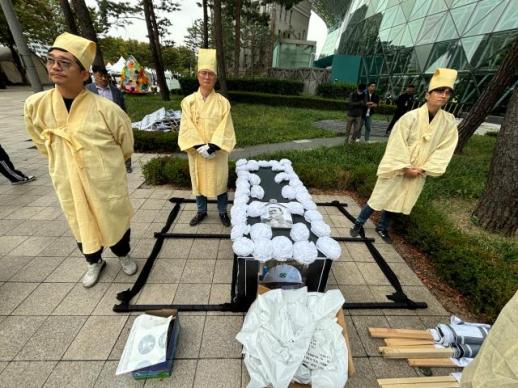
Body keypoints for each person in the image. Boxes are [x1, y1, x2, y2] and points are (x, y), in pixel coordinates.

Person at [24, 32, 137, 288]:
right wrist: (63, 162)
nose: (55, 66)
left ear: (84, 74)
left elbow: (125, 144)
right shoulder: (35, 105)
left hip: (104, 178)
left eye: (64, 62)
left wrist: (103, 165)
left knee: (114, 218)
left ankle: (123, 254)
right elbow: (40, 141)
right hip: (67, 177)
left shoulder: (107, 109)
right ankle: (93, 261)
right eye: (51, 60)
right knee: (79, 220)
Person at [350, 68, 458, 243]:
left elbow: (445, 148)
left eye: (448, 92)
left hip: (420, 169)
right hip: (399, 167)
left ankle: (382, 227)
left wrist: (424, 168)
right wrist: (405, 167)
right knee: (379, 196)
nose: (443, 95)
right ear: (427, 94)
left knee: (400, 200)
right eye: (439, 90)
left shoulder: (448, 121)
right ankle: (358, 223)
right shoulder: (410, 117)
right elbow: (396, 143)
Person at [178, 48, 236, 227]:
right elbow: (186, 127)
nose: (207, 77)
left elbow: (226, 127)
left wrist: (213, 146)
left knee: (219, 181)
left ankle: (222, 212)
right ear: (198, 76)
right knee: (198, 181)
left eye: (211, 74)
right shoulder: (188, 101)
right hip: (197, 153)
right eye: (204, 73)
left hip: (216, 152)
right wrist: (198, 147)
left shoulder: (222, 102)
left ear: (215, 78)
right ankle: (201, 211)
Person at [86, 65, 132, 173]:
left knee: (122, 143)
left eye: (105, 76)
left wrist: (126, 120)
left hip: (115, 123)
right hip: (97, 124)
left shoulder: (116, 91)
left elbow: (122, 108)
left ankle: (127, 165)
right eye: (100, 76)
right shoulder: (87, 90)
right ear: (94, 76)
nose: (103, 79)